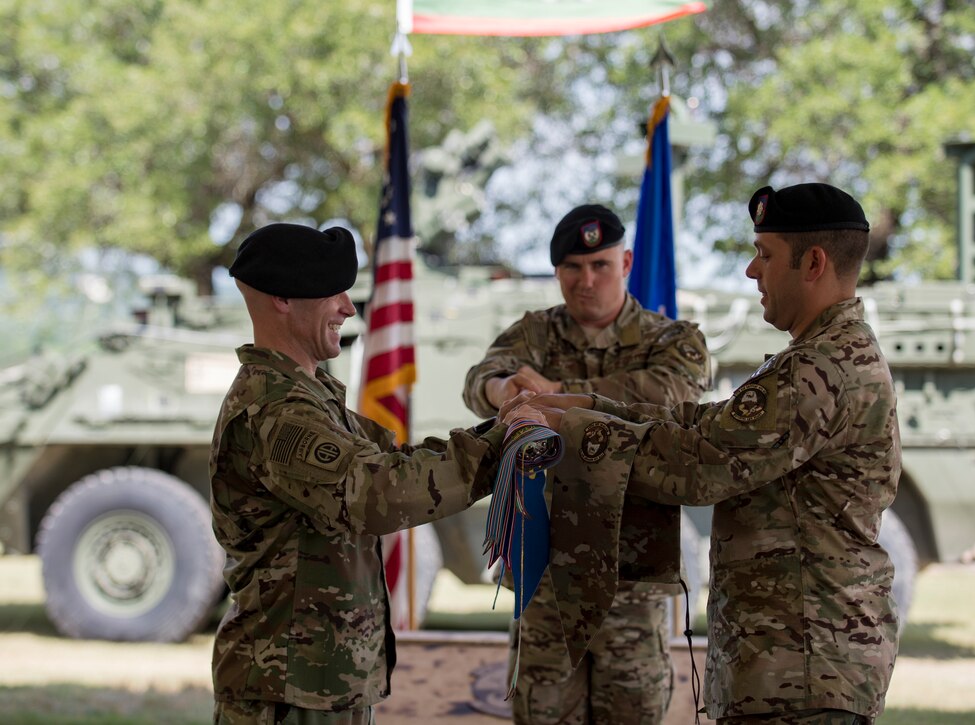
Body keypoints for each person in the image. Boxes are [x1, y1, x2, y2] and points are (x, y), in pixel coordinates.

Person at [517, 183, 901, 724]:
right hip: (792, 664)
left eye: (765, 256)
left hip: (805, 669)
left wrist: (577, 426)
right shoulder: (815, 358)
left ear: (813, 263)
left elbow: (701, 464)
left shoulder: (823, 369)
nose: (751, 270)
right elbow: (707, 424)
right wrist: (592, 407)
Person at [209, 222, 524, 725]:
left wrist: (504, 429)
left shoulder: (312, 396)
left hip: (321, 684)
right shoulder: (277, 410)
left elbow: (399, 463)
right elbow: (379, 492)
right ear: (284, 299)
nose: (348, 308)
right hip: (288, 693)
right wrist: (503, 445)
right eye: (332, 292)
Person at [462, 204, 711, 724]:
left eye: (599, 265)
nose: (586, 280)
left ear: (625, 262)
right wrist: (501, 388)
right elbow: (481, 377)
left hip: (632, 569)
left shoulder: (671, 339)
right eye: (572, 268)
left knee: (633, 711)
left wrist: (560, 396)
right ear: (557, 273)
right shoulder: (534, 334)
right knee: (543, 710)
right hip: (544, 567)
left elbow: (672, 394)